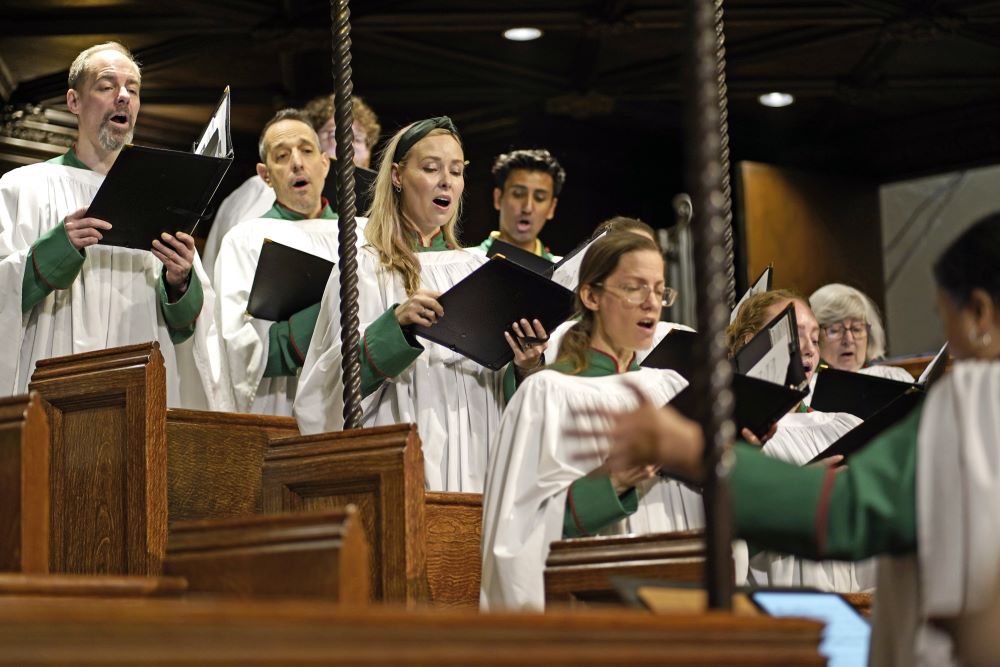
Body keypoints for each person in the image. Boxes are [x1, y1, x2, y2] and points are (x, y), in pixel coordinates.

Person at [584, 213, 1000, 666]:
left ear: (979, 313)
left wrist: (689, 449)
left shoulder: (978, 400)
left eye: (947, 320)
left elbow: (848, 514)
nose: (951, 344)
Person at [294, 116, 546, 492]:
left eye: (456, 171)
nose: (447, 180)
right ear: (397, 176)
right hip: (402, 456)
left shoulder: (479, 269)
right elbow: (325, 391)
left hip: (480, 456)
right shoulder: (363, 268)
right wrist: (393, 328)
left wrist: (527, 365)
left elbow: (506, 393)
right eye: (431, 168)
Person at [480, 232, 710, 611]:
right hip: (591, 612)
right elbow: (517, 536)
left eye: (659, 290)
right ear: (591, 296)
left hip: (676, 606)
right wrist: (614, 483)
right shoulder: (547, 394)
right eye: (635, 289)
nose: (652, 303)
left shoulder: (671, 387)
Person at [0, 42, 222, 409]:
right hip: (54, 381)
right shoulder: (23, 187)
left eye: (132, 90)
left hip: (139, 386)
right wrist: (55, 250)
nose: (123, 97)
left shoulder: (165, 199)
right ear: (73, 101)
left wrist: (180, 281)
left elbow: (193, 327)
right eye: (106, 86)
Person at [214, 109, 363, 415]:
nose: (297, 162)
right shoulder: (245, 239)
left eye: (307, 151)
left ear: (324, 163)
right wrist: (310, 330)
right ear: (265, 174)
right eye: (282, 156)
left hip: (356, 399)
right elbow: (233, 341)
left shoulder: (363, 237)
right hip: (281, 402)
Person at [726, 289, 868, 590]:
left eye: (815, 339)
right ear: (752, 342)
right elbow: (725, 543)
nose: (809, 349)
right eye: (795, 333)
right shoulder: (735, 436)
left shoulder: (843, 426)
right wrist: (797, 493)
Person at [201, 94, 380, 275]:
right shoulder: (260, 197)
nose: (347, 145)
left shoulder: (369, 231)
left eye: (357, 138)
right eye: (334, 135)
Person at [809, 283, 914, 381]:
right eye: (836, 330)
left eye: (857, 329)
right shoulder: (805, 389)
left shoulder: (893, 377)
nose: (849, 340)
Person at [475, 149, 564, 259]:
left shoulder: (561, 273)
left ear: (551, 207)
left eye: (539, 198)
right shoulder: (463, 265)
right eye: (518, 194)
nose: (527, 207)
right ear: (498, 198)